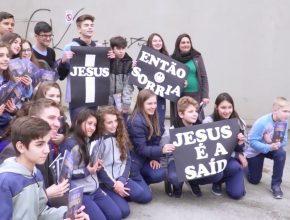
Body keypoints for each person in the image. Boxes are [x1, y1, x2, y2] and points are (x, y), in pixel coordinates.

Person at [0, 116, 89, 220]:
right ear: (20, 147)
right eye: (39, 144)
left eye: (47, 143)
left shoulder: (36, 174)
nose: (47, 150)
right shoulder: (5, 181)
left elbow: (40, 212)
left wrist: (67, 214)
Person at [0, 98, 70, 201]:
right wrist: (45, 194)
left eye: (58, 119)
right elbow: (8, 199)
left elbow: (49, 183)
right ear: (34, 119)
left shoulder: (47, 146)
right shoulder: (12, 151)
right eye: (51, 118)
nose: (58, 124)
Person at [60, 108, 122, 220]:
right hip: (82, 192)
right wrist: (87, 171)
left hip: (95, 187)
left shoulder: (90, 140)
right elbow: (64, 175)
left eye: (94, 125)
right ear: (78, 122)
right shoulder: (70, 144)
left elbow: (90, 165)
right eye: (89, 123)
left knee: (116, 215)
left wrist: (96, 165)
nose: (92, 128)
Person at [160, 96, 223, 198]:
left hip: (195, 161)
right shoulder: (170, 131)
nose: (195, 114)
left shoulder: (200, 129)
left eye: (196, 111)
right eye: (190, 112)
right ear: (181, 114)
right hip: (176, 161)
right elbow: (163, 152)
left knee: (218, 174)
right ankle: (177, 184)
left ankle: (193, 182)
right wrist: (165, 171)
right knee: (174, 177)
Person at [57, 14, 114, 121]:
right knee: (78, 130)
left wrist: (111, 60)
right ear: (79, 29)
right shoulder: (69, 47)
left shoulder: (99, 47)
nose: (90, 27)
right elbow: (61, 75)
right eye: (86, 25)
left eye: (92, 25)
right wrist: (63, 61)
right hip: (77, 97)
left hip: (94, 96)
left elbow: (105, 73)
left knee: (92, 129)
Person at [94, 106, 149, 216]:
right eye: (109, 122)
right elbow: (100, 169)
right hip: (106, 182)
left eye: (115, 121)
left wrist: (122, 180)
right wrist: (114, 185)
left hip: (120, 178)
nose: (114, 125)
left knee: (145, 196)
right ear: (101, 124)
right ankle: (112, 196)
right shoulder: (98, 141)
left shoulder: (120, 136)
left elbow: (127, 160)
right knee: (124, 212)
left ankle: (118, 196)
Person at [127, 89, 175, 201]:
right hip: (133, 163)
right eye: (149, 103)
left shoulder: (154, 115)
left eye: (155, 103)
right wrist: (161, 150)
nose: (153, 106)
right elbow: (141, 149)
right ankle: (129, 182)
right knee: (146, 197)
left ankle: (142, 182)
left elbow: (156, 139)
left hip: (145, 159)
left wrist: (155, 158)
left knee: (160, 173)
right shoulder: (136, 122)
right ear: (141, 103)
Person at [203, 92, 247, 200]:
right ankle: (217, 181)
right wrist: (237, 155)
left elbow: (245, 148)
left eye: (230, 107)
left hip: (231, 160)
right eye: (223, 107)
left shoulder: (240, 122)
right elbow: (209, 149)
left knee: (237, 194)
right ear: (216, 107)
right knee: (230, 166)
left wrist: (241, 143)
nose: (227, 111)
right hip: (214, 159)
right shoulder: (208, 122)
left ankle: (228, 178)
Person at [245, 97, 290, 199]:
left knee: (281, 153)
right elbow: (252, 141)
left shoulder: (284, 122)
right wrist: (268, 146)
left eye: (289, 111)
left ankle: (276, 185)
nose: (287, 114)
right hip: (255, 151)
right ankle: (245, 166)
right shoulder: (262, 122)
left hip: (270, 147)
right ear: (275, 110)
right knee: (254, 180)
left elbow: (284, 141)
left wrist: (271, 142)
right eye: (284, 111)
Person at [171, 33, 209, 122]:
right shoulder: (172, 58)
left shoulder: (197, 57)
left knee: (196, 120)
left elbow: (204, 77)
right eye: (183, 42)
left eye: (188, 42)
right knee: (180, 120)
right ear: (178, 45)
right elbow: (168, 79)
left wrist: (205, 96)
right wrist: (179, 82)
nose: (186, 44)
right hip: (179, 96)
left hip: (195, 96)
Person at [0, 42, 32, 135]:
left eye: (7, 56)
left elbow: (23, 97)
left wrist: (14, 109)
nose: (6, 59)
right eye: (1, 55)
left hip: (7, 126)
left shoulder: (10, 77)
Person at [146, 33, 169, 130]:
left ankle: (158, 143)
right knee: (147, 122)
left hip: (160, 98)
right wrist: (134, 66)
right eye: (155, 41)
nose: (158, 43)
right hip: (147, 96)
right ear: (150, 43)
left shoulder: (168, 59)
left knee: (159, 123)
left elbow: (171, 79)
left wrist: (181, 83)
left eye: (160, 40)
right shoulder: (144, 57)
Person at [109, 36, 134, 122]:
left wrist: (126, 103)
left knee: (122, 126)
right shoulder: (107, 61)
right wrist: (109, 61)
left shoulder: (129, 63)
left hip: (122, 101)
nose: (121, 51)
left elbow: (129, 85)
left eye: (123, 48)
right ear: (112, 49)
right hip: (107, 103)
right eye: (118, 48)